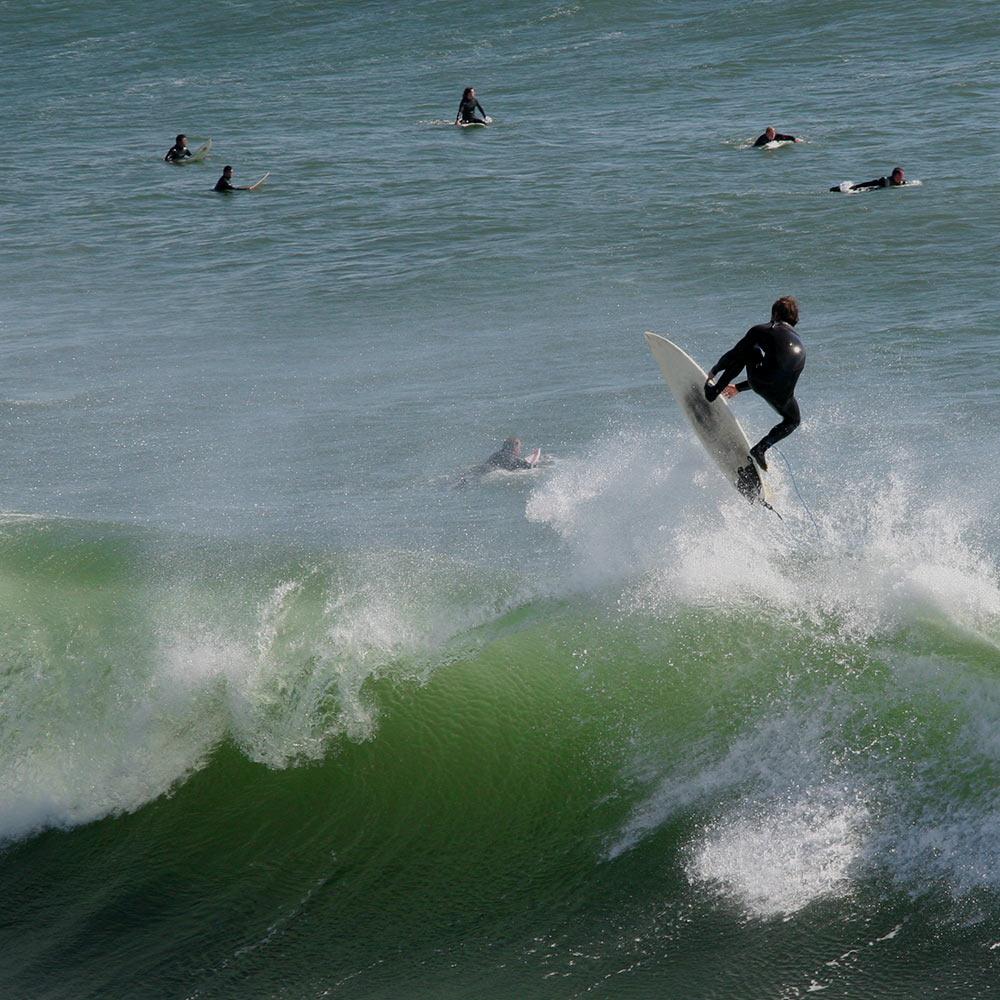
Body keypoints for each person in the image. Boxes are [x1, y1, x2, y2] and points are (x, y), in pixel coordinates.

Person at [704, 296, 805, 471]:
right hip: (783, 395)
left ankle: (713, 392)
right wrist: (738, 388)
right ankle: (761, 448)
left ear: (774, 314)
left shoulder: (764, 330)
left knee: (752, 352)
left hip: (760, 381)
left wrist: (715, 369)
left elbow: (735, 354)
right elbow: (775, 377)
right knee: (793, 420)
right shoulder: (799, 343)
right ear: (795, 320)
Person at [832, 166, 905, 192]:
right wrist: (857, 187)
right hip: (861, 189)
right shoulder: (886, 181)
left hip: (867, 190)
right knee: (839, 190)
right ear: (896, 175)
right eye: (901, 175)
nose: (903, 177)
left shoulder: (901, 181)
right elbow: (870, 183)